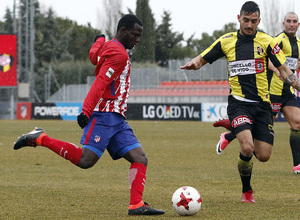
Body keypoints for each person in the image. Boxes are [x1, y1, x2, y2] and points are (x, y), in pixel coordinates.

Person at [13, 14, 165, 216]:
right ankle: (41, 138)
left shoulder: (108, 47)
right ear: (123, 31)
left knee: (140, 158)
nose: (137, 40)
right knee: (86, 161)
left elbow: (94, 56)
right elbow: (101, 82)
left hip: (117, 118)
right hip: (103, 115)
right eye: (135, 35)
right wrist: (86, 111)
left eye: (139, 36)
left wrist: (98, 40)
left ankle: (136, 205)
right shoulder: (120, 55)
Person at [181, 1, 300, 203]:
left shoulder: (268, 41)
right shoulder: (226, 41)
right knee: (247, 147)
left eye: (253, 21)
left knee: (263, 155)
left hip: (263, 106)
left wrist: (297, 85)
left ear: (259, 21)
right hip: (238, 103)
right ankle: (247, 191)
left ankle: (232, 130)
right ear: (239, 18)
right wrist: (195, 64)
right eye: (245, 20)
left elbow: (285, 71)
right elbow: (202, 58)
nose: (249, 25)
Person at [214, 12, 300, 175]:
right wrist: (276, 69)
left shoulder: (299, 45)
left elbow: (294, 66)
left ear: (298, 25)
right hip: (271, 92)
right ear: (284, 23)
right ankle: (231, 133)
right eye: (288, 21)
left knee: (297, 123)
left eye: (294, 21)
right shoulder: (277, 40)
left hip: (287, 92)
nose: (291, 24)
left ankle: (297, 164)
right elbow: (267, 59)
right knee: (260, 132)